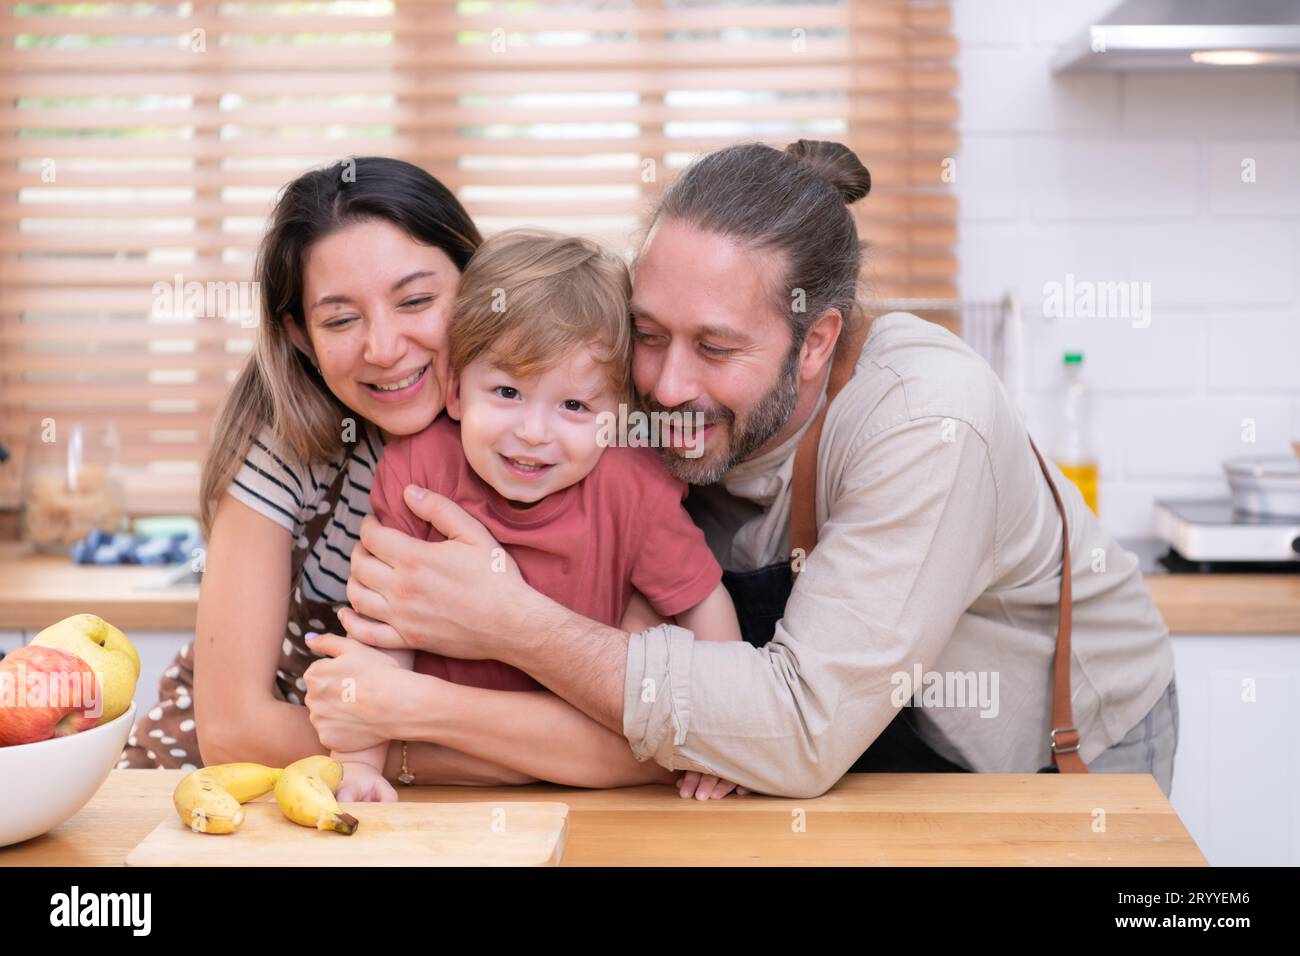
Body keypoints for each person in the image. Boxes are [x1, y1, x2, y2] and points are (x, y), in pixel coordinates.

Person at [335, 140, 1179, 798]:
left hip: (1044, 754)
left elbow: (803, 730)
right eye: (652, 333)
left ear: (815, 342)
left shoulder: (926, 423)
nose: (665, 384)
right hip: (841, 754)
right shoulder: (614, 396)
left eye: (715, 347)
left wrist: (506, 625)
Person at [325, 229, 744, 802]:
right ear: (454, 391)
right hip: (451, 777)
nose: (533, 432)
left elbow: (701, 602)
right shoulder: (417, 470)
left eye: (573, 405)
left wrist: (722, 732)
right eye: (505, 392)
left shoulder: (635, 485)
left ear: (617, 416)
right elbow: (383, 629)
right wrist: (358, 763)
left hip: (595, 774)